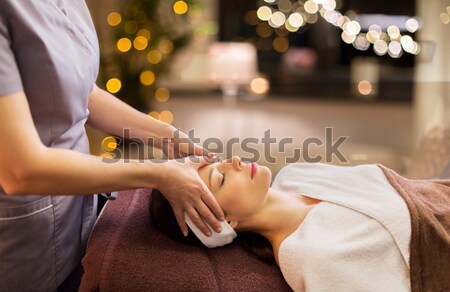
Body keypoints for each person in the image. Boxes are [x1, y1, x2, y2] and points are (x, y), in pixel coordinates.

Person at [0, 1, 224, 292]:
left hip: (79, 212)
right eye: (220, 179)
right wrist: (159, 173)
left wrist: (167, 136)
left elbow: (78, 90)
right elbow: (20, 171)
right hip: (23, 239)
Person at [150, 156, 450, 292]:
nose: (237, 161)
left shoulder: (297, 174)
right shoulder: (311, 254)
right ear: (224, 223)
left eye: (221, 161)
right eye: (222, 178)